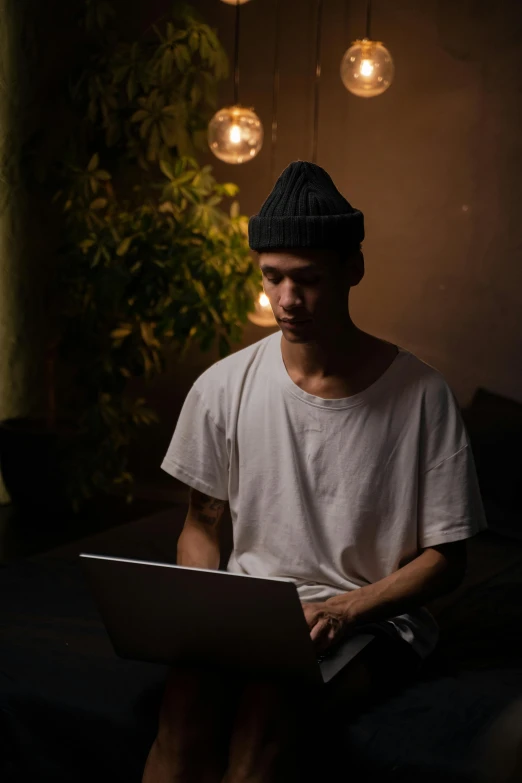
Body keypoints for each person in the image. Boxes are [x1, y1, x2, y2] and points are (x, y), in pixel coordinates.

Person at [142, 161, 487, 783]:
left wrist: (345, 610)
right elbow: (201, 523)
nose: (287, 300)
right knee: (183, 703)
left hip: (374, 622)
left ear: (352, 269)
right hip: (252, 616)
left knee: (266, 712)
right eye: (272, 278)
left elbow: (448, 559)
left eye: (308, 280)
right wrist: (208, 610)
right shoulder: (223, 385)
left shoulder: (421, 395)